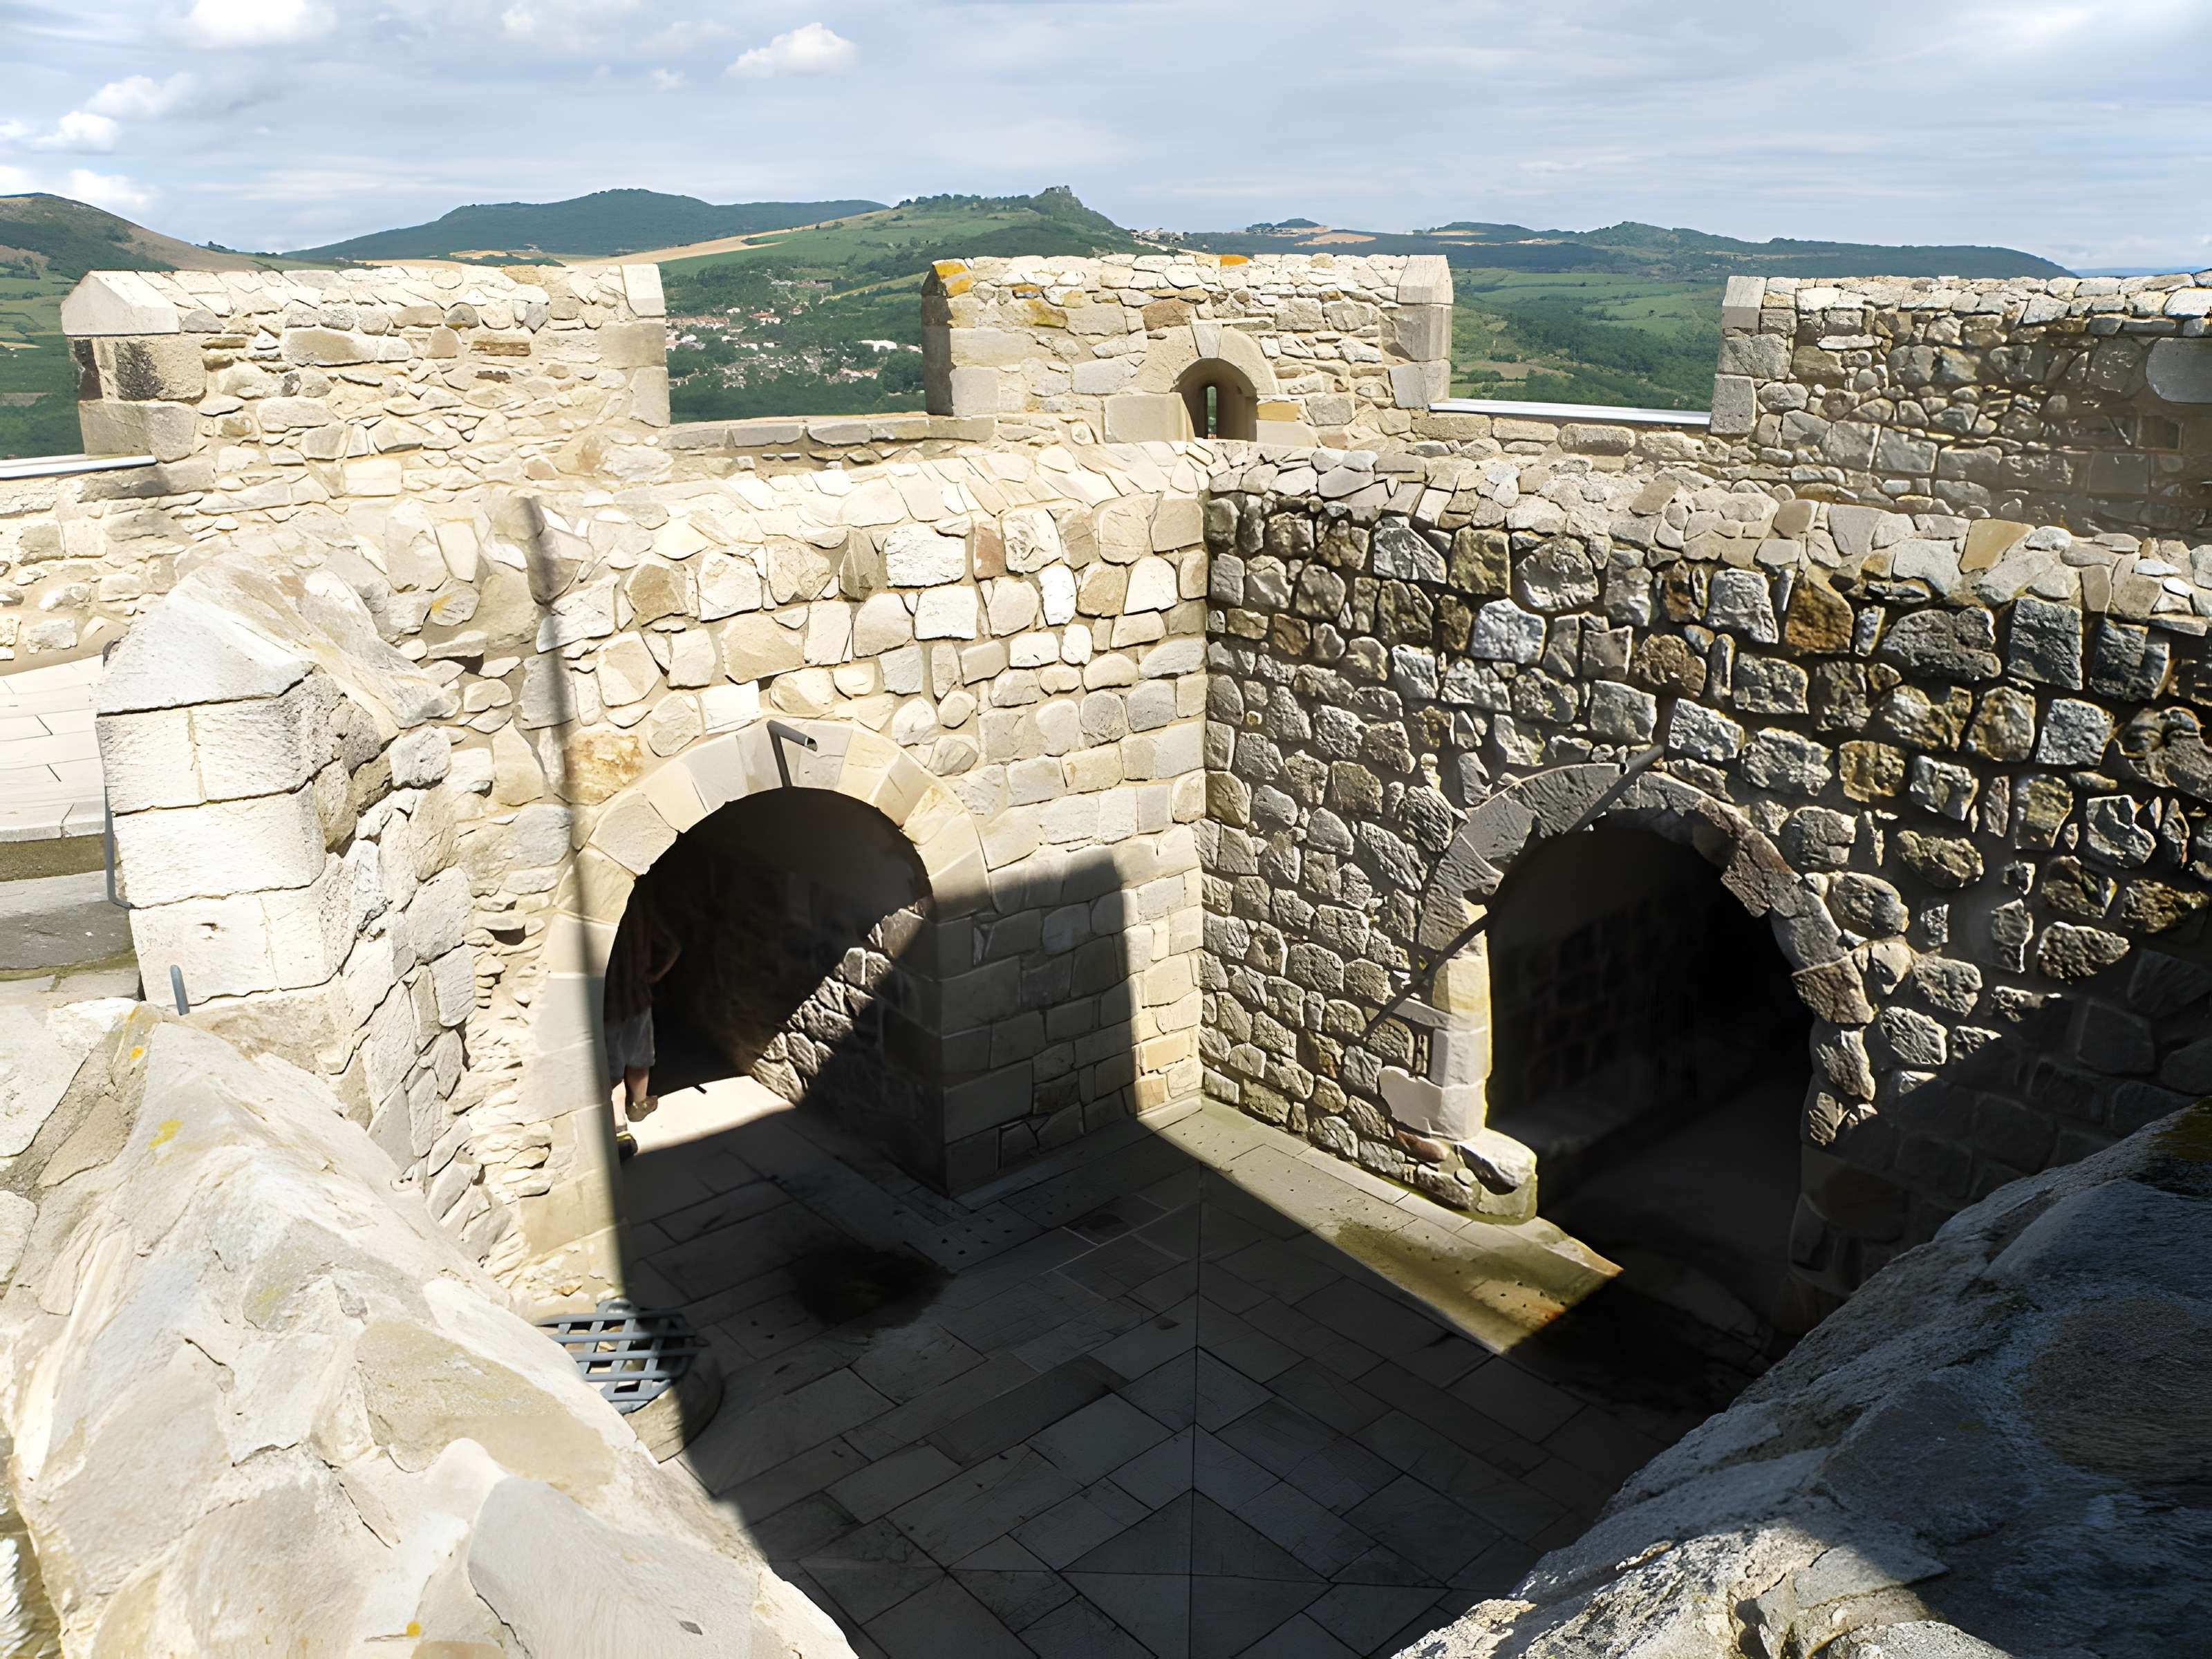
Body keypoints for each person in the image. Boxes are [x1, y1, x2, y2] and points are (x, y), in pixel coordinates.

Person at [604, 888, 682, 1159]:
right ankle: (638, 1104)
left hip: (605, 1006)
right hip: (638, 999)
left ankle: (619, 1131)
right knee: (639, 1058)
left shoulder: (600, 913)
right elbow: (673, 946)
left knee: (612, 1070)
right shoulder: (641, 908)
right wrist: (654, 975)